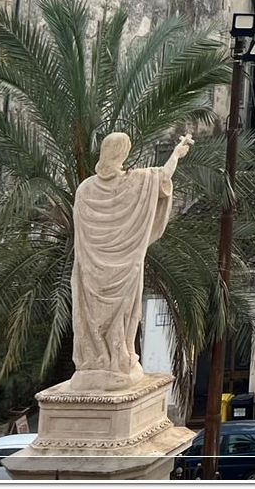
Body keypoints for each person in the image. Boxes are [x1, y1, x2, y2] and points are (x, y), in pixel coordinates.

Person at [69, 131, 193, 390]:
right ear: (122, 153)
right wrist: (176, 154)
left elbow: (81, 235)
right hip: (125, 268)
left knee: (92, 318)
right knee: (125, 316)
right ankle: (117, 360)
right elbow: (162, 177)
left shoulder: (85, 189)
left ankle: (97, 362)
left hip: (92, 270)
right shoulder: (133, 182)